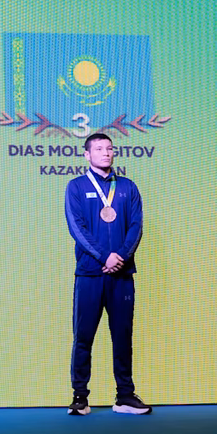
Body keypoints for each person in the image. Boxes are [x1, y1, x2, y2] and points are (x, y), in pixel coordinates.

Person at [64, 132, 151, 416]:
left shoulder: (128, 187)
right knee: (84, 337)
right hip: (90, 274)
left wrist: (121, 257)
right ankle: (80, 397)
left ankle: (124, 396)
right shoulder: (76, 187)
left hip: (122, 275)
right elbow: (77, 228)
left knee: (123, 335)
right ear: (87, 154)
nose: (106, 153)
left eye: (110, 148)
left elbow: (136, 226)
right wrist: (105, 256)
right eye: (99, 149)